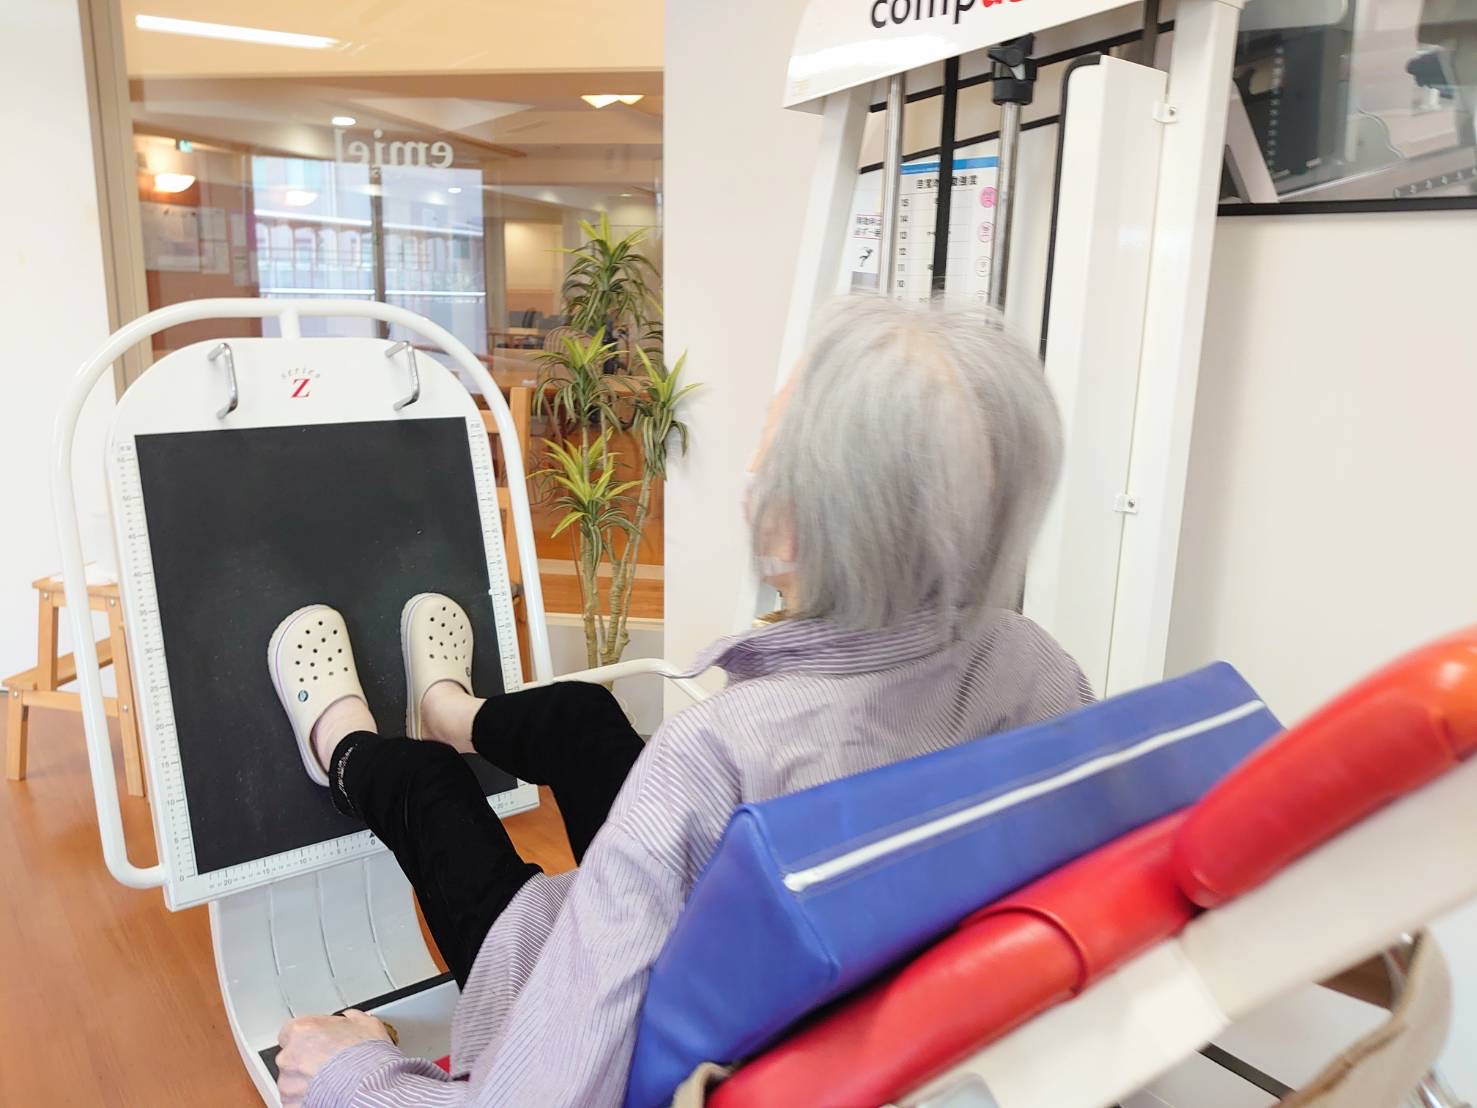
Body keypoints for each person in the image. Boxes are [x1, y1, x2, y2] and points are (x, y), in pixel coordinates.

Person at [269, 296, 1094, 1107]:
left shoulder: (719, 756)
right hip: (736, 946)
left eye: (768, 448)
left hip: (590, 997)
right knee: (582, 720)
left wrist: (348, 1072)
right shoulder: (1035, 670)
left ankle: (342, 750)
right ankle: (447, 713)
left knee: (423, 785)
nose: (751, 474)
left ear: (796, 525)